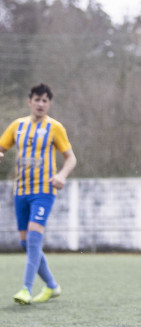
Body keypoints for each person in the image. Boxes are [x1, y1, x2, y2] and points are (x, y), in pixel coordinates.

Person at [0, 83, 77, 305]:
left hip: (43, 191)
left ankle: (26, 288)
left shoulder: (55, 128)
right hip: (20, 191)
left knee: (34, 238)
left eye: (45, 100)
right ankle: (52, 286)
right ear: (30, 101)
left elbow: (71, 158)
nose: (41, 104)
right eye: (37, 99)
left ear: (49, 104)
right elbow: (2, 147)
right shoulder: (17, 126)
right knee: (26, 243)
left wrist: (61, 175)